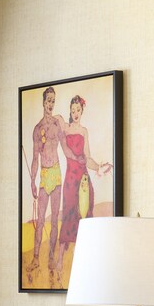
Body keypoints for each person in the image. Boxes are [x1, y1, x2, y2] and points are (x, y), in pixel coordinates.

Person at [49, 93, 114, 280]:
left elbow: (88, 158)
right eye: (73, 109)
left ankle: (82, 260)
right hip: (71, 178)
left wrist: (100, 166)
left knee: (84, 216)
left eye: (79, 109)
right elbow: (66, 150)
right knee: (69, 212)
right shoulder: (66, 129)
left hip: (83, 179)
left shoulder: (84, 131)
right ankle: (60, 258)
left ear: (82, 111)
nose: (76, 112)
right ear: (70, 110)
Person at [24, 86, 63, 284]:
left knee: (54, 219)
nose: (50, 104)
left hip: (56, 175)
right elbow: (34, 159)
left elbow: (66, 148)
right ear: (43, 102)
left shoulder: (57, 124)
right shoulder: (37, 129)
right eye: (48, 100)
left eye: (53, 101)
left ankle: (50, 259)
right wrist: (32, 180)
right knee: (40, 221)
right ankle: (36, 258)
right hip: (44, 175)